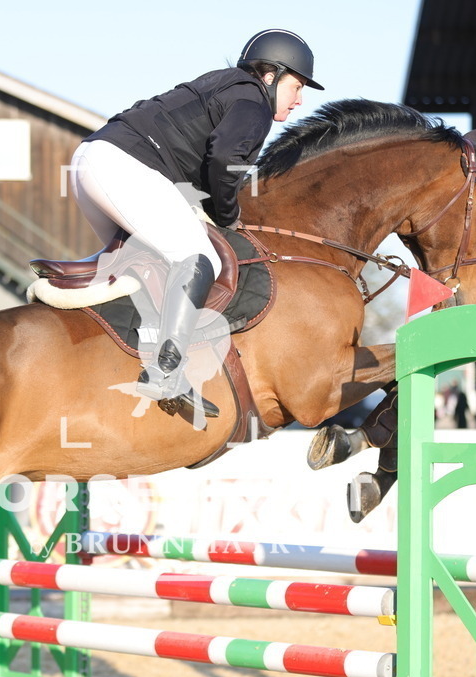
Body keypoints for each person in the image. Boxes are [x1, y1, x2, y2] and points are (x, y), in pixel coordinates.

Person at [68, 29, 324, 418]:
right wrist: (228, 216)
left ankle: (133, 357)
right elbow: (223, 160)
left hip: (94, 162)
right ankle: (167, 373)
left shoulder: (225, 86)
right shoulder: (253, 100)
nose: (300, 100)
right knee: (200, 257)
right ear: (270, 76)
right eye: (297, 86)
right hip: (122, 168)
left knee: (150, 270)